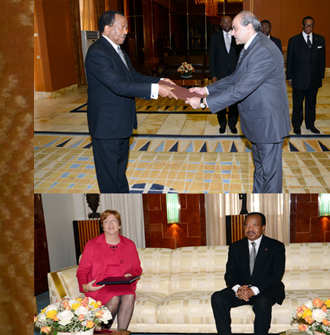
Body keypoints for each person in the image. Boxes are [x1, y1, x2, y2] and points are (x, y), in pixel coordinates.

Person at [185, 11, 291, 193]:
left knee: (270, 178)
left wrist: (204, 102)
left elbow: (240, 89)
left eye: (235, 28)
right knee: (261, 171)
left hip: (268, 125)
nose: (232, 33)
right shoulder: (251, 47)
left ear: (249, 28)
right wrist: (206, 90)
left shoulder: (263, 50)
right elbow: (235, 78)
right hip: (259, 123)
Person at [85, 11, 177, 193]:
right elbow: (119, 85)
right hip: (107, 126)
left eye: (126, 27)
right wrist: (156, 90)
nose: (126, 31)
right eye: (122, 27)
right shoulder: (97, 52)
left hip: (121, 123)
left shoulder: (119, 51)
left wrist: (160, 81)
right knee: (109, 176)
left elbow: (133, 77)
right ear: (107, 28)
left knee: (119, 172)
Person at [211, 212, 286, 335]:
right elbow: (230, 274)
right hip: (242, 289)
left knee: (262, 302)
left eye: (254, 225)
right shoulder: (236, 247)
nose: (250, 229)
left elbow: (276, 275)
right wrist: (238, 289)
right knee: (218, 297)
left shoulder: (276, 246)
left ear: (263, 227)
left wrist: (254, 290)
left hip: (265, 289)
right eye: (247, 226)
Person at [76, 209, 142, 331]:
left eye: (114, 221)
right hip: (101, 286)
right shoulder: (92, 245)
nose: (110, 225)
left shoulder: (129, 244)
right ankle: (104, 332)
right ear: (102, 226)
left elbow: (137, 269)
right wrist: (85, 287)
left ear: (120, 224)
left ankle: (122, 332)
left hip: (123, 284)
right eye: (106, 222)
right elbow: (82, 270)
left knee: (129, 296)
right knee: (114, 298)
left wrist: (131, 275)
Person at [286, 16, 325, 134]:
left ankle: (310, 124)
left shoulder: (320, 39)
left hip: (314, 79)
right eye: (307, 25)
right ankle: (296, 125)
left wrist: (321, 75)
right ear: (302, 26)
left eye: (311, 25)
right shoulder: (294, 40)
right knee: (297, 104)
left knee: (311, 103)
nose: (309, 27)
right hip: (299, 79)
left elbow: (322, 59)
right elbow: (290, 60)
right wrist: (289, 77)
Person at [209, 16, 241, 134]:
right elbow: (212, 57)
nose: (227, 23)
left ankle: (232, 124)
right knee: (221, 100)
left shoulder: (237, 35)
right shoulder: (214, 38)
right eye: (224, 21)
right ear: (220, 24)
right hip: (220, 75)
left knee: (233, 101)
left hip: (235, 75)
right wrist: (213, 75)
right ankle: (222, 124)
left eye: (229, 21)